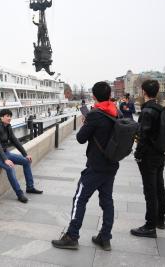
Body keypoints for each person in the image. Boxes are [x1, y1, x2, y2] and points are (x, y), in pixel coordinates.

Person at [51, 82, 119, 251]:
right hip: (111, 165)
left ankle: (72, 236)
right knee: (107, 201)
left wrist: (85, 122)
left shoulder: (95, 115)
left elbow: (81, 138)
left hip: (96, 166)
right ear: (109, 95)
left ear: (94, 96)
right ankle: (105, 237)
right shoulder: (116, 111)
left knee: (79, 199)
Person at [131, 80, 165, 238]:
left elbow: (143, 136)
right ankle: (160, 220)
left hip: (149, 156)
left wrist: (138, 155)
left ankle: (150, 226)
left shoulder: (147, 111)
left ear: (144, 92)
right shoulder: (161, 109)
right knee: (159, 187)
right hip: (160, 154)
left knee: (150, 190)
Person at [0, 109, 43, 203]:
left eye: (10, 116)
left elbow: (15, 141)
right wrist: (5, 159)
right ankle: (19, 194)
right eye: (7, 116)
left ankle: (30, 187)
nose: (9, 118)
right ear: (1, 117)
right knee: (10, 168)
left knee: (26, 161)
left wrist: (25, 154)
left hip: (6, 153)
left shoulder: (8, 127)